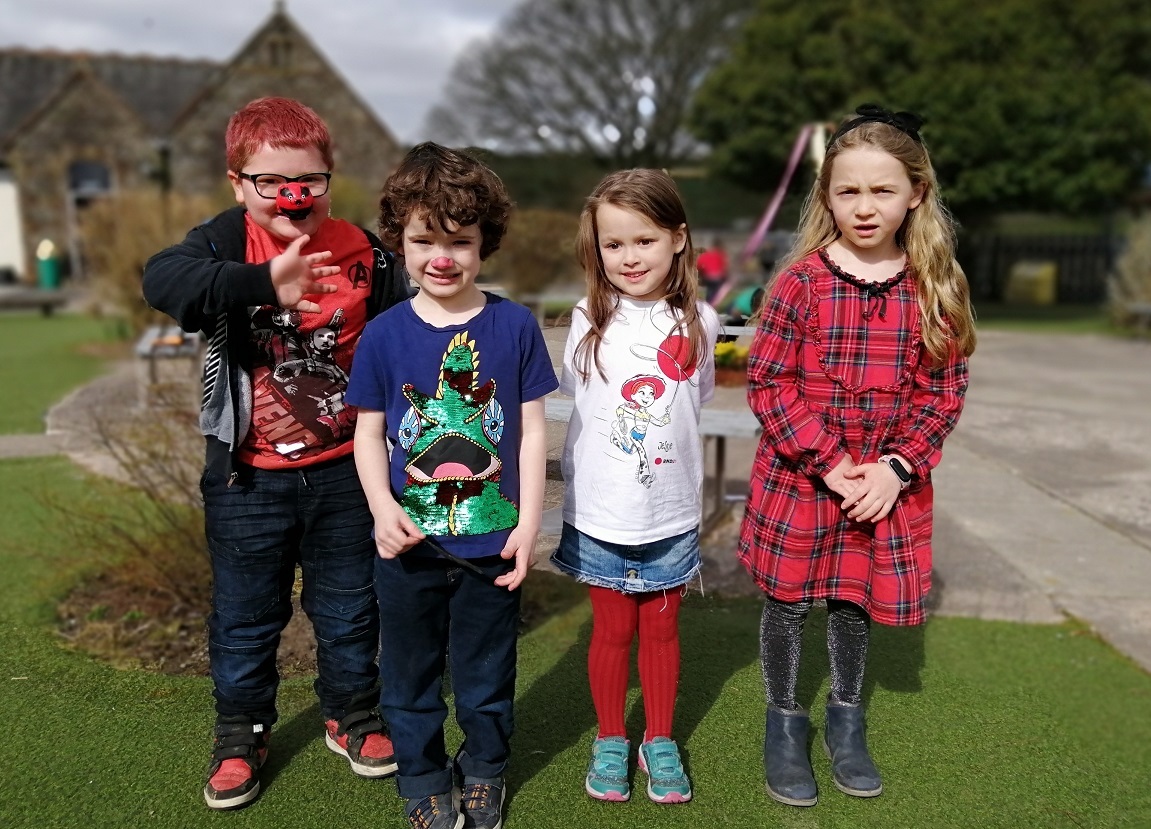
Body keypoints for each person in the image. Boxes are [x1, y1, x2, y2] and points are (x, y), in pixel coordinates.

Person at [142, 96, 410, 810]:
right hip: (247, 478)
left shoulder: (369, 256)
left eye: (311, 180)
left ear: (329, 177)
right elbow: (162, 281)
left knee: (351, 608)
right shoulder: (222, 245)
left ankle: (350, 712)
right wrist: (264, 284)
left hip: (347, 472)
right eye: (272, 182)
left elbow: (407, 332)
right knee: (244, 614)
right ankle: (241, 730)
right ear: (238, 184)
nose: (294, 196)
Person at [738, 104, 977, 807]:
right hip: (803, 476)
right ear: (826, 197)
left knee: (851, 600)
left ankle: (846, 718)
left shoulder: (935, 286)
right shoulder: (800, 283)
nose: (864, 207)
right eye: (848, 191)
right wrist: (831, 461)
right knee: (787, 602)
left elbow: (944, 391)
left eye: (881, 190)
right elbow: (769, 380)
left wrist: (895, 467)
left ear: (916, 193)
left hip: (884, 485)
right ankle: (783, 722)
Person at [346, 142, 558, 829]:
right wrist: (381, 509)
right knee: (407, 677)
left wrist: (527, 525)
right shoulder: (381, 336)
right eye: (423, 239)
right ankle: (422, 776)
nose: (442, 257)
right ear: (398, 241)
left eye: (460, 241)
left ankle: (486, 769)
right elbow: (368, 435)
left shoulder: (514, 325)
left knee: (485, 674)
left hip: (491, 542)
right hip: (406, 545)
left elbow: (529, 433)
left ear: (483, 243)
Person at [551, 169, 720, 805]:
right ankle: (611, 737)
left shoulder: (698, 319)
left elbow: (693, 399)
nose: (628, 257)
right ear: (595, 248)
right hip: (601, 514)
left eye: (643, 240)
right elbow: (580, 398)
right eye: (612, 244)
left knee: (662, 634)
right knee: (612, 631)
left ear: (677, 239)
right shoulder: (587, 317)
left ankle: (660, 738)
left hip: (670, 514)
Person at [696, 236, 729, 304]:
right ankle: (713, 303)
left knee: (710, 291)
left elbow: (699, 265)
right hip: (718, 277)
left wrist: (701, 275)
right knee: (716, 292)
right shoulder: (721, 254)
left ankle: (709, 302)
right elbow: (725, 266)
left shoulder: (707, 254)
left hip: (708, 277)